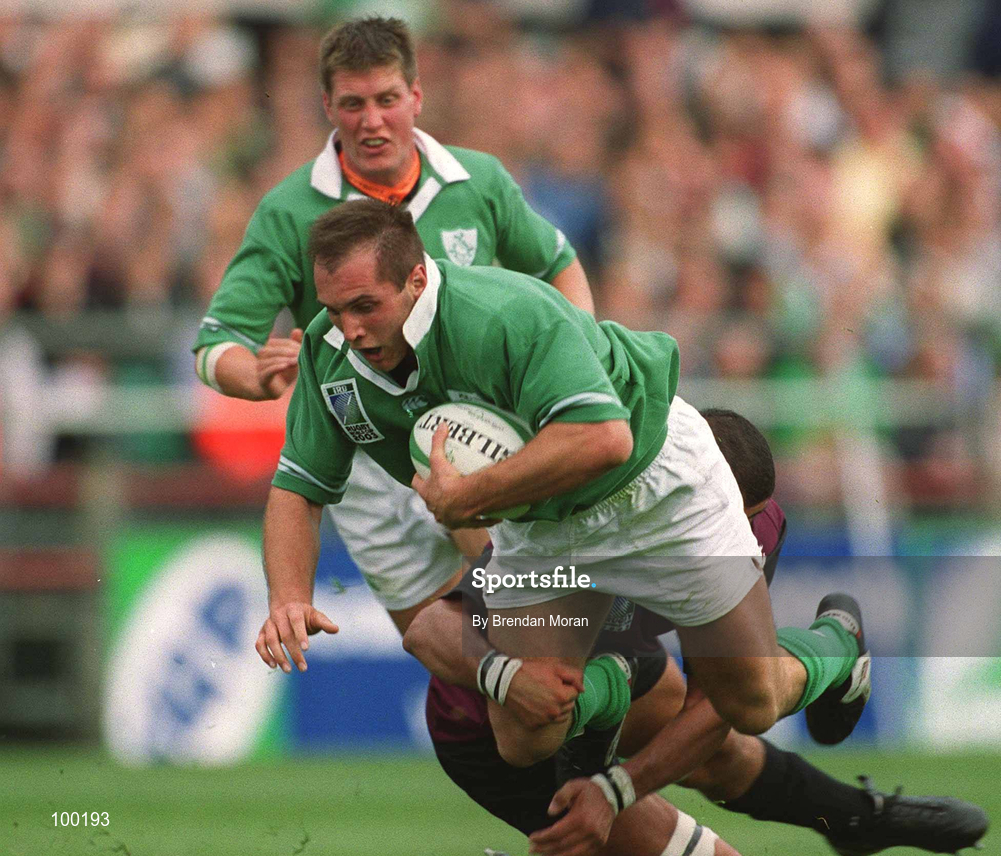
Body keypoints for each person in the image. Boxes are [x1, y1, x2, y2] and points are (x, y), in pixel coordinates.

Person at [257, 199, 870, 777]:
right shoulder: (328, 356)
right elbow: (298, 485)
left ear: (416, 281)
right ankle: (615, 679)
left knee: (752, 704)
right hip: (543, 525)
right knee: (526, 735)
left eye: (365, 306)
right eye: (335, 309)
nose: (350, 329)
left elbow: (605, 440)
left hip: (654, 484)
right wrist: (288, 595)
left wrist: (470, 500)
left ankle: (838, 642)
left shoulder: (503, 315)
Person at [405, 408, 988, 856]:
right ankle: (834, 653)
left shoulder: (752, 527)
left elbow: (721, 703)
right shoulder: (581, 538)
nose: (734, 539)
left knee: (724, 740)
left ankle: (855, 817)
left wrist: (617, 789)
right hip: (487, 730)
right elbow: (431, 629)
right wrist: (505, 673)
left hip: (621, 665)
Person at [193, 17, 594, 634]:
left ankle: (596, 681)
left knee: (528, 625)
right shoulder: (288, 211)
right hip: (362, 454)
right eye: (352, 104)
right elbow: (214, 344)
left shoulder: (477, 181)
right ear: (327, 105)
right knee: (436, 640)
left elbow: (558, 263)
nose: (371, 120)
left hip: (471, 429)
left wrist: (581, 345)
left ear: (415, 96)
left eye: (386, 100)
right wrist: (255, 373)